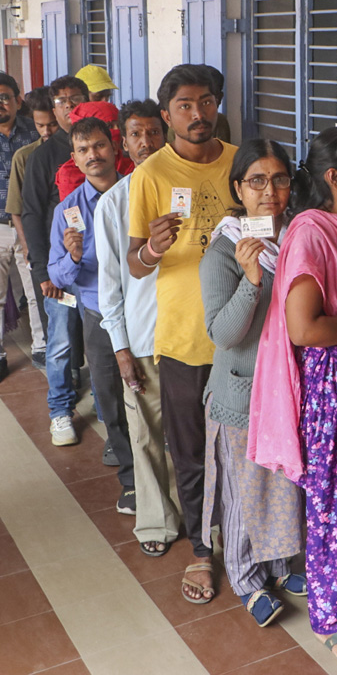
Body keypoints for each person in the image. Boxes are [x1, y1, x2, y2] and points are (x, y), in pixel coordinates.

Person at [248, 127, 337, 666]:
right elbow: (304, 328)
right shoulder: (310, 231)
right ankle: (330, 618)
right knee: (333, 500)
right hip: (335, 382)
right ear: (335, 176)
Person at [127, 64, 237, 604]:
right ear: (167, 115)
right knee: (190, 451)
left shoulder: (243, 164)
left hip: (242, 339)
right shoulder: (151, 175)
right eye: (186, 106)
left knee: (249, 449)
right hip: (184, 340)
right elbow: (135, 265)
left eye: (207, 102)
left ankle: (251, 542)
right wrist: (151, 247)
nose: (199, 114)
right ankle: (201, 549)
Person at [200, 139, 305, 627]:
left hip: (287, 388)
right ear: (239, 188)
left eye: (279, 179)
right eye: (257, 181)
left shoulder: (296, 238)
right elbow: (223, 333)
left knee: (283, 482)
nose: (270, 192)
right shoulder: (225, 249)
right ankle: (245, 577)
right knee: (246, 492)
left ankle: (281, 564)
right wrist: (251, 279)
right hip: (242, 392)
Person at [95, 98, 181, 556]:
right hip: (143, 336)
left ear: (164, 134)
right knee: (146, 435)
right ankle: (155, 524)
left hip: (190, 335)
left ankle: (195, 516)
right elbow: (110, 285)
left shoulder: (181, 191)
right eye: (135, 134)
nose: (146, 142)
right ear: (122, 142)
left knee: (189, 436)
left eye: (152, 132)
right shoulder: (114, 204)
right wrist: (121, 349)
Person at [47, 116, 135, 512]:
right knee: (110, 396)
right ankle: (131, 480)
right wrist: (74, 256)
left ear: (114, 149)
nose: (93, 155)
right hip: (99, 315)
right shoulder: (68, 211)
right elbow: (57, 275)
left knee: (156, 391)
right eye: (83, 150)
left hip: (143, 309)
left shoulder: (139, 192)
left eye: (99, 146)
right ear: (75, 160)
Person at [21, 75, 90, 446]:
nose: (68, 107)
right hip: (60, 271)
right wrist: (43, 271)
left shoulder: (105, 145)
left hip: (97, 269)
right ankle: (60, 409)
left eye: (76, 99)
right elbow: (32, 214)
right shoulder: (44, 156)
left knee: (104, 343)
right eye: (62, 101)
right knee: (61, 341)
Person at [5, 87, 53, 368]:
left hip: (54, 242)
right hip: (24, 237)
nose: (46, 131)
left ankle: (44, 346)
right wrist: (27, 246)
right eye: (41, 125)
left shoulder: (67, 149)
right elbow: (18, 208)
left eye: (51, 124)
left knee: (38, 297)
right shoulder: (25, 156)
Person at [0, 71, 40, 381]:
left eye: (5, 97)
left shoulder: (35, 132)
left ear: (17, 100)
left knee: (35, 287)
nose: (0, 104)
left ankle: (42, 347)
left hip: (29, 224)